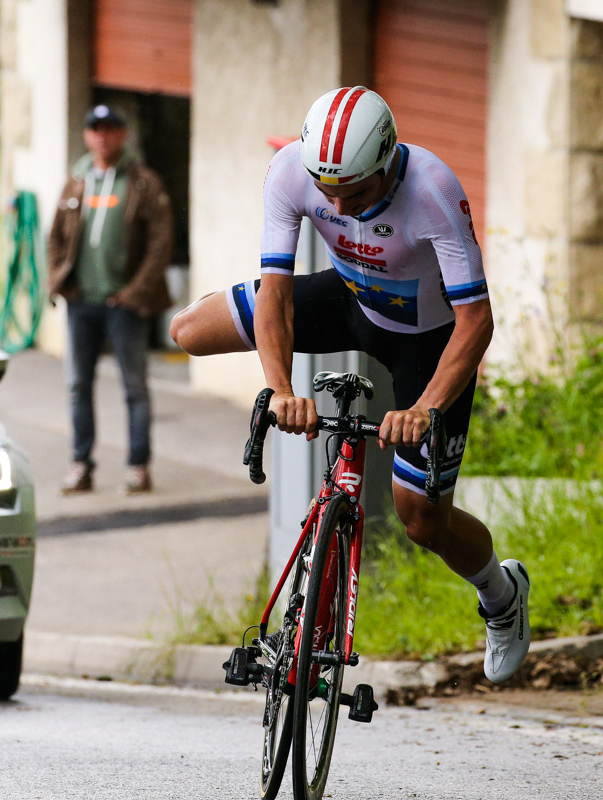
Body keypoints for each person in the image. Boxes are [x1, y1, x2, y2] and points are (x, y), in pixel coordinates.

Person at [169, 86, 531, 684]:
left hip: (427, 340)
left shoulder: (434, 191)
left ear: (388, 161)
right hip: (349, 298)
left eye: (354, 191)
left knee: (421, 519)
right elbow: (278, 293)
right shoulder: (290, 170)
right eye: (326, 188)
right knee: (188, 330)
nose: (335, 199)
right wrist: (280, 388)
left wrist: (423, 406)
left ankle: (501, 593)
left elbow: (477, 320)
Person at [48, 103, 173, 495]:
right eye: (95, 128)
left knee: (134, 387)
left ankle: (138, 467)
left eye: (110, 128)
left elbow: (160, 243)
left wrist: (134, 292)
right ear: (87, 135)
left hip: (125, 305)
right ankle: (80, 465)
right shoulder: (76, 180)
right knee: (77, 385)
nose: (102, 135)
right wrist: (60, 281)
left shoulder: (143, 182)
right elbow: (55, 236)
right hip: (81, 302)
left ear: (122, 134)